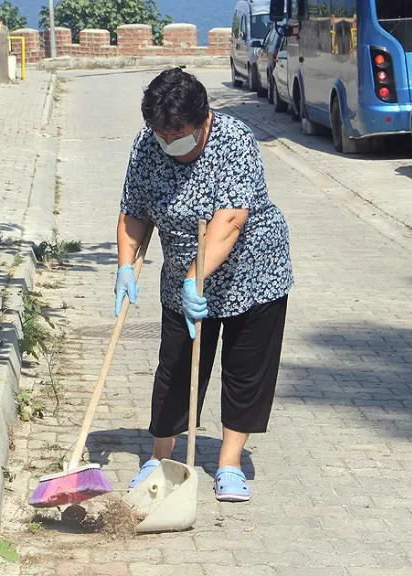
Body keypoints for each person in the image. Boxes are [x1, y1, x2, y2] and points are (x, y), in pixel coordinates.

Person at [114, 68, 294, 503]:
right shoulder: (148, 145)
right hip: (182, 274)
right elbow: (133, 210)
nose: (166, 141)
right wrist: (125, 265)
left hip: (252, 274)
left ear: (203, 120)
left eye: (176, 133)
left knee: (245, 369)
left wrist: (198, 279)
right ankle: (158, 458)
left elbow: (230, 221)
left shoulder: (234, 140)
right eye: (159, 132)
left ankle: (229, 464)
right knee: (175, 369)